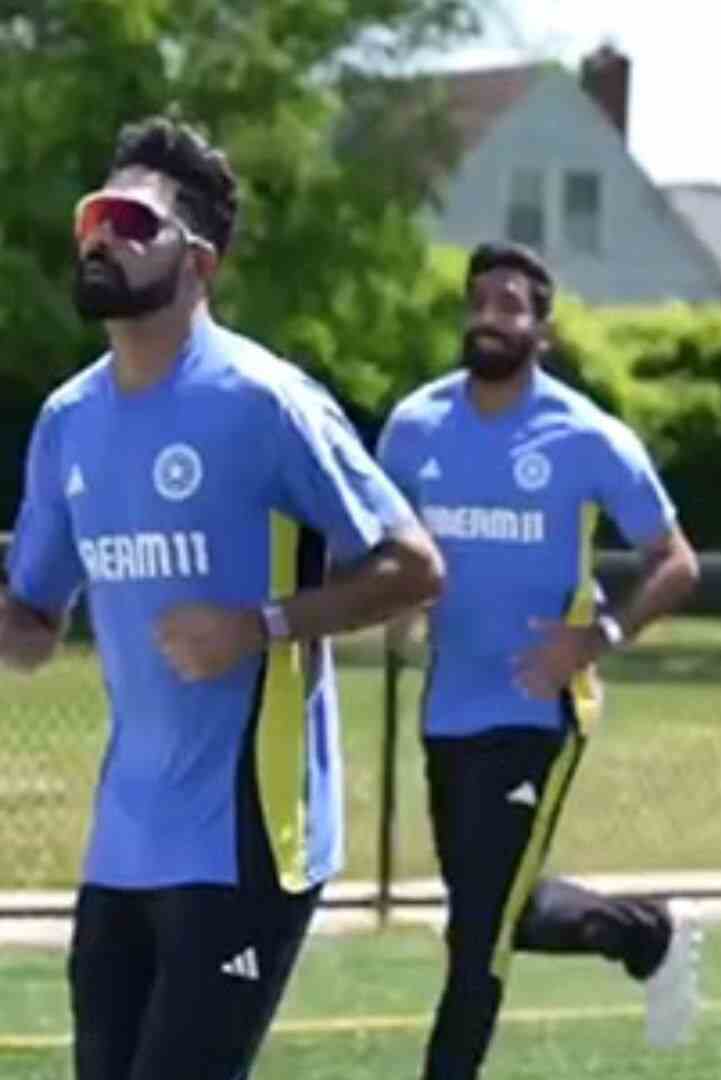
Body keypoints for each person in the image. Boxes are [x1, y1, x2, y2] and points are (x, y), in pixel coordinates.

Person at [0, 114, 443, 1079]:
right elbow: (30, 632)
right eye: (93, 216)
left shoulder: (265, 402)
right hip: (125, 842)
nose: (99, 237)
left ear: (198, 262)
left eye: (130, 220)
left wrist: (261, 626)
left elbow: (415, 567)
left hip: (250, 836)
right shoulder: (68, 422)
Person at [376, 242, 703, 1078]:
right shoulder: (414, 427)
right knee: (489, 912)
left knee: (479, 936)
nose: (490, 316)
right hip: (446, 705)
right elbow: (387, 547)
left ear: (542, 331)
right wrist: (397, 600)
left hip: (537, 709)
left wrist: (599, 639)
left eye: (511, 304)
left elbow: (675, 561)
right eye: (479, 300)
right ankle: (645, 932)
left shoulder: (585, 436)